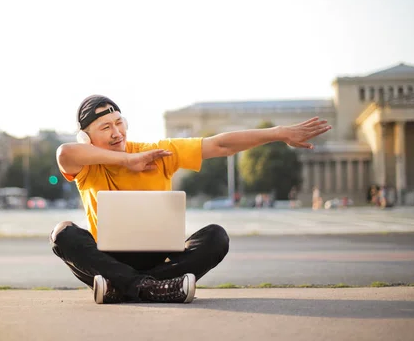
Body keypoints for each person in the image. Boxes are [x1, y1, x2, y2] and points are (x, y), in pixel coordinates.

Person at [51, 94, 331, 305]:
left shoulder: (158, 152)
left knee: (216, 237)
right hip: (107, 259)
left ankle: (124, 287)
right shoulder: (85, 166)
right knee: (63, 233)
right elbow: (65, 153)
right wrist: (128, 160)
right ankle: (152, 288)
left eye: (119, 123)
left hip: (155, 260)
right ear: (85, 138)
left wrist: (279, 133)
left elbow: (220, 144)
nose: (116, 133)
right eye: (105, 127)